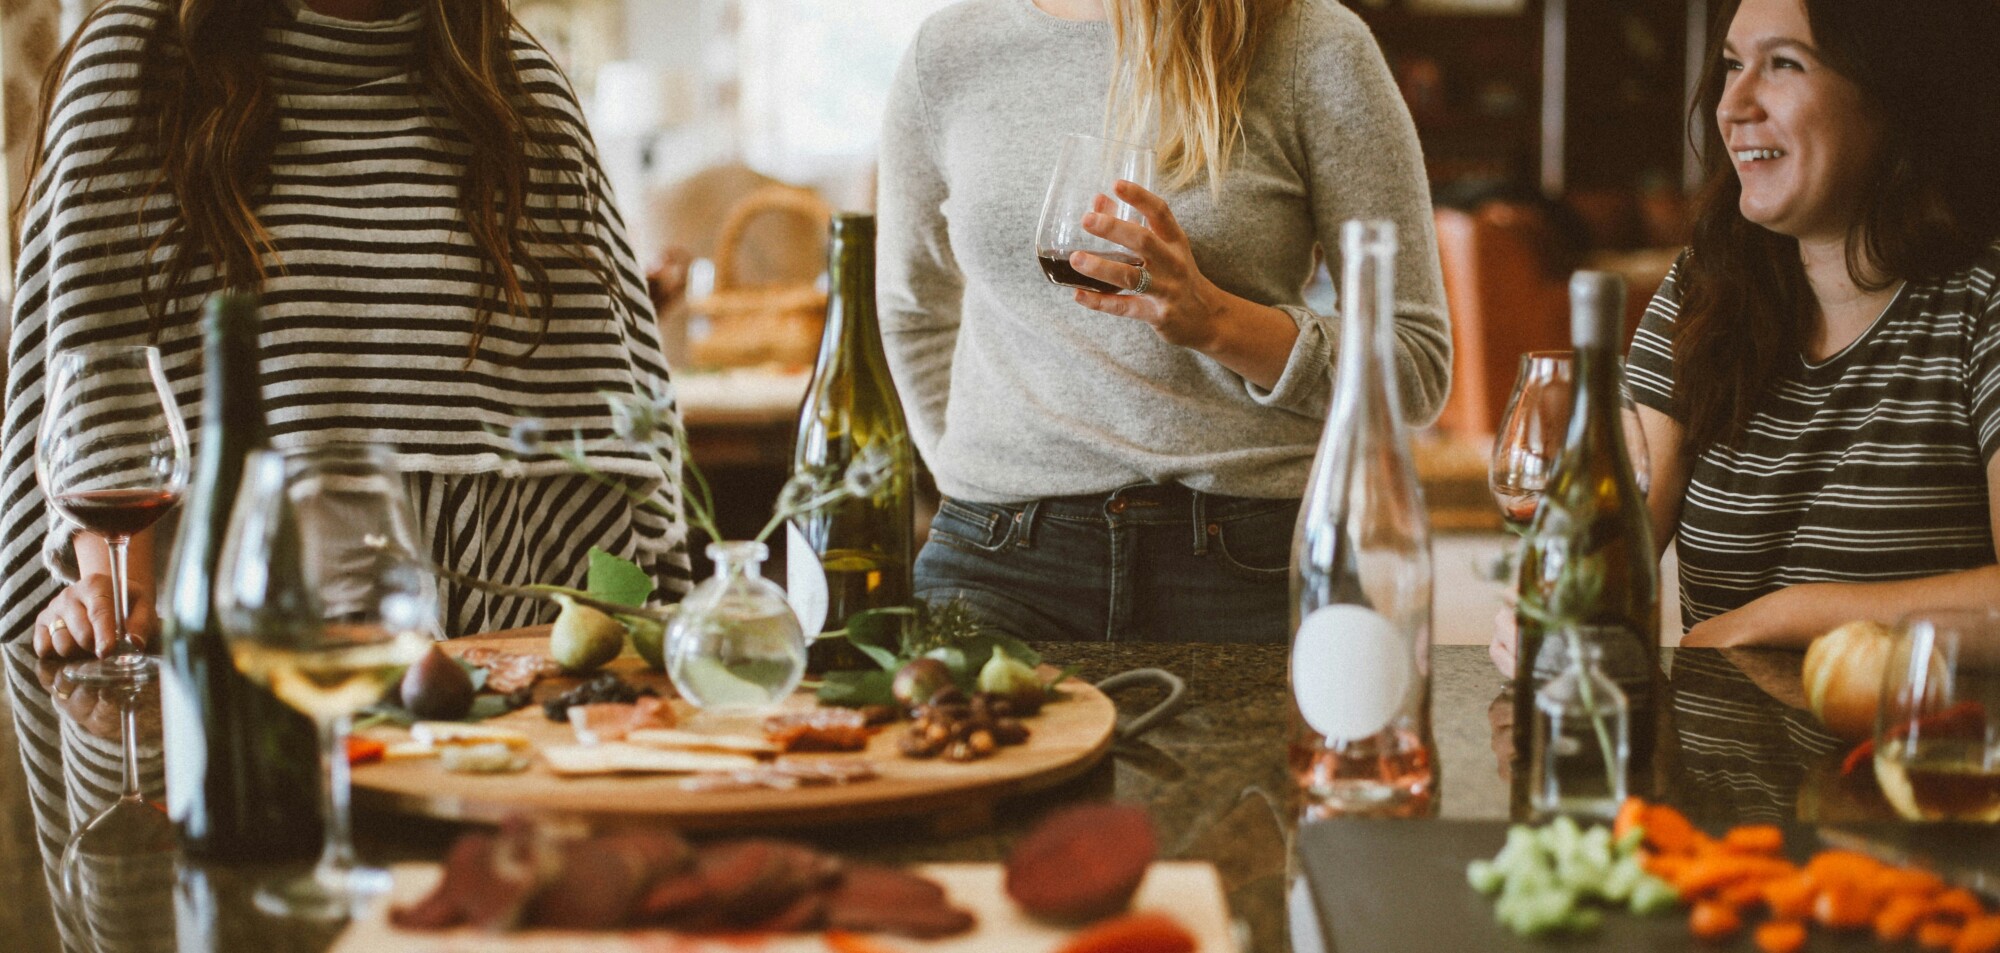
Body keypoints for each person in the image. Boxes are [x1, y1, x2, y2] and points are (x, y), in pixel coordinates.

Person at [5, 0, 692, 661]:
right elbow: (100, 394)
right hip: (230, 656)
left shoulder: (520, 90)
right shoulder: (134, 64)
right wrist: (114, 598)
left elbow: (612, 444)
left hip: (494, 648)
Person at [876, 0, 1452, 643]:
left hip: (1249, 562)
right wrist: (968, 477)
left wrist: (1216, 322)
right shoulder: (947, 51)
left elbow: (1415, 365)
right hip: (995, 563)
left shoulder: (1311, 45)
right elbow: (912, 315)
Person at [1492, 0, 2000, 674]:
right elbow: (1619, 529)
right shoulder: (1704, 284)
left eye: (1784, 64)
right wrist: (1558, 599)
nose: (1733, 104)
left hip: (1911, 768)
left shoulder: (1981, 300)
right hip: (1714, 772)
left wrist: (1780, 616)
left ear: (1893, 95)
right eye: (1733, 64)